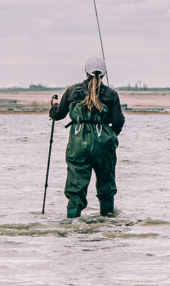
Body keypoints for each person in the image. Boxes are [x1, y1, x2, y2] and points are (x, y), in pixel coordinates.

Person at [49, 57, 125, 218]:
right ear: (104, 73)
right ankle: (108, 222)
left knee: (75, 186)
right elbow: (118, 122)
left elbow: (58, 115)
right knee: (106, 186)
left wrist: (54, 105)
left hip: (78, 143)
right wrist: (108, 137)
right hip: (104, 143)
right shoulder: (111, 94)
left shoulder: (72, 91)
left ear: (85, 71)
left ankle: (73, 224)